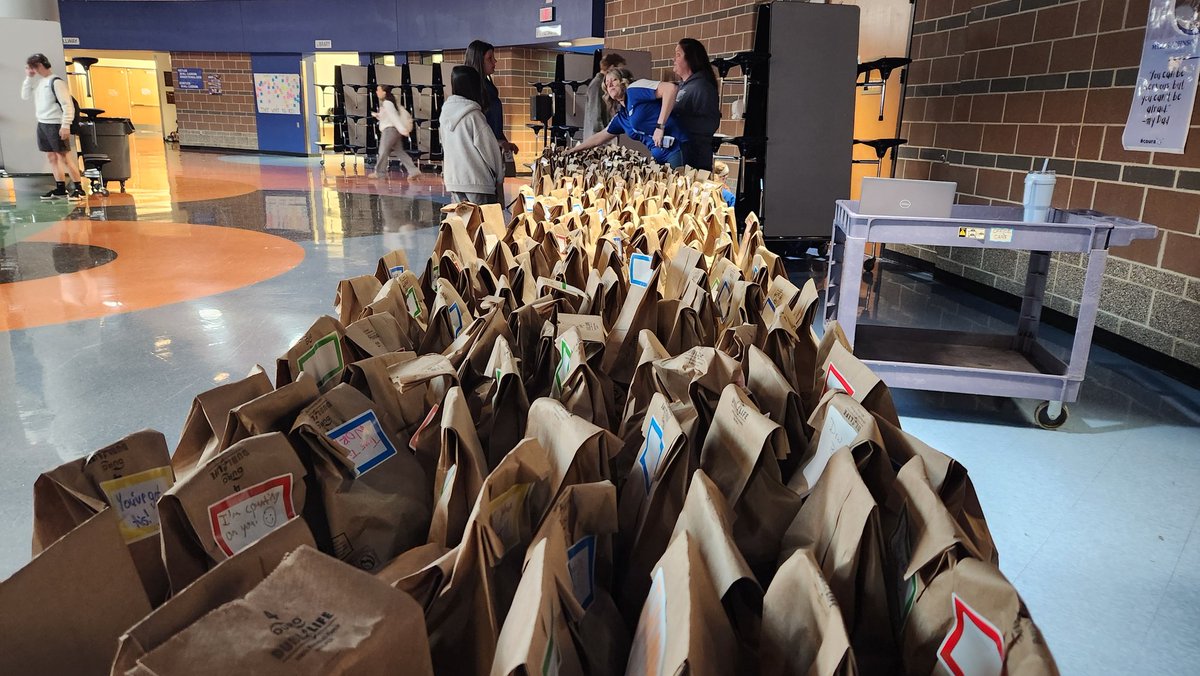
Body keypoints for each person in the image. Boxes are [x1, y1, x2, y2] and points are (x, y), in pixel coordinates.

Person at [564, 68, 686, 167]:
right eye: (607, 83)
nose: (610, 84)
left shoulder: (634, 90)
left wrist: (660, 126)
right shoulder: (622, 116)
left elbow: (671, 88)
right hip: (658, 156)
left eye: (614, 80)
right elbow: (600, 137)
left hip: (676, 148)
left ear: (623, 82)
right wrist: (575, 150)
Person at [20, 53, 86, 200]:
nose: (33, 71)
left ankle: (79, 188)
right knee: (51, 157)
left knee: (65, 158)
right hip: (43, 124)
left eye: (34, 68)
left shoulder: (56, 82)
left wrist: (66, 125)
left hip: (56, 124)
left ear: (39, 66)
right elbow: (25, 95)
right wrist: (28, 78)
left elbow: (67, 105)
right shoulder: (39, 82)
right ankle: (60, 189)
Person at [439, 65, 505, 205]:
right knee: (484, 224)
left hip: (454, 180)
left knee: (461, 224)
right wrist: (499, 176)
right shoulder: (474, 115)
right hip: (478, 182)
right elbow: (489, 150)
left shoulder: (445, 115)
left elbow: (444, 144)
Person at [464, 40, 519, 159]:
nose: (495, 61)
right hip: (479, 157)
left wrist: (503, 142)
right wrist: (496, 142)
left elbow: (493, 126)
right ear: (478, 61)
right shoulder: (471, 92)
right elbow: (473, 131)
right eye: (490, 58)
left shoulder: (487, 87)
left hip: (490, 152)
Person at [672, 38, 721, 172]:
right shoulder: (682, 87)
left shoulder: (702, 87)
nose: (673, 59)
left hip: (694, 159)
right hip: (679, 155)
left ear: (691, 58)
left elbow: (710, 123)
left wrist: (678, 124)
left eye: (678, 54)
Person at [371, 85, 423, 179]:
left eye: (378, 90)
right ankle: (414, 171)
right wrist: (377, 115)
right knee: (400, 152)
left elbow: (394, 117)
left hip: (390, 130)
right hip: (395, 130)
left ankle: (380, 173)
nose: (376, 92)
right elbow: (389, 116)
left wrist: (402, 129)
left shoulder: (387, 103)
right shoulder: (391, 102)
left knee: (383, 151)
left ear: (384, 92)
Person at [585, 52, 626, 135]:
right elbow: (595, 115)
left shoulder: (602, 84)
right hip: (599, 140)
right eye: (618, 70)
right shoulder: (597, 85)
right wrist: (603, 137)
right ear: (611, 67)